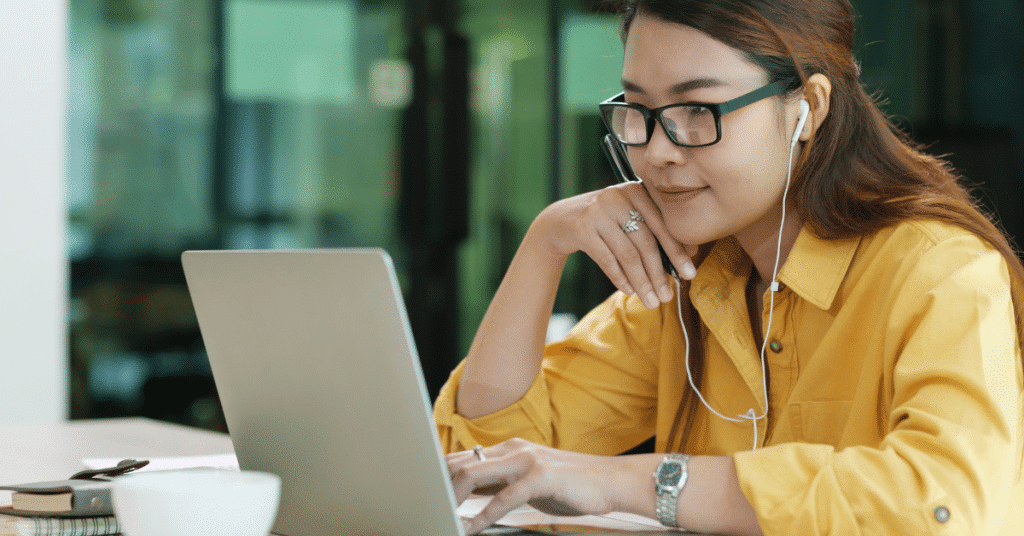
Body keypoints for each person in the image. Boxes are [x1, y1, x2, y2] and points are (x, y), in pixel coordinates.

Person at [435, 0, 1024, 534]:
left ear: (808, 110)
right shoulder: (692, 282)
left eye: (698, 109)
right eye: (639, 109)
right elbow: (476, 460)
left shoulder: (939, 272)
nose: (658, 150)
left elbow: (947, 507)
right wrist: (545, 245)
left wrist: (638, 482)